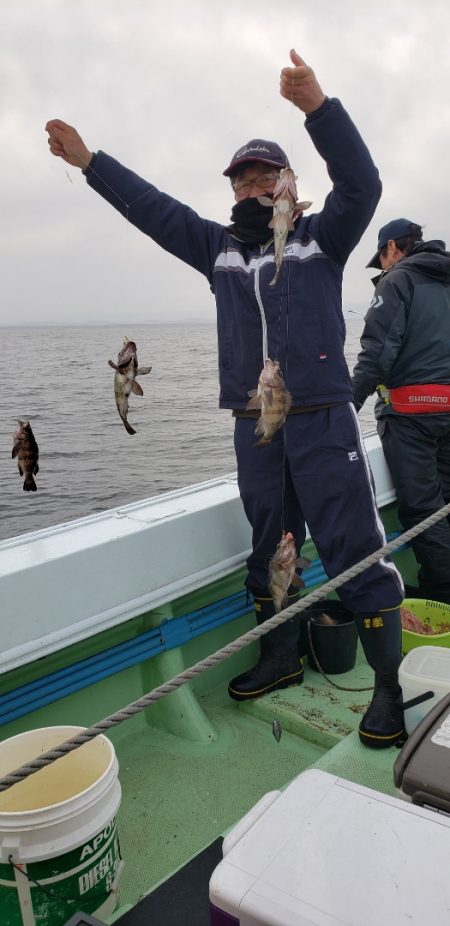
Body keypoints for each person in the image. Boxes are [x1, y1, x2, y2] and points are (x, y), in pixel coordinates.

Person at [46, 49, 405, 749]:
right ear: (232, 191)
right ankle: (278, 655)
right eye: (241, 178)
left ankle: (388, 688)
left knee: (355, 548)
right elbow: (153, 210)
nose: (251, 185)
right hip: (255, 426)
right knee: (267, 546)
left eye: (265, 175)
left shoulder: (321, 239)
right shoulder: (215, 251)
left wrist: (318, 110)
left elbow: (362, 184)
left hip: (324, 422)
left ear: (284, 185)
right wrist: (91, 164)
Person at [352, 218, 450, 604]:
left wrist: (345, 408)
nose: (383, 268)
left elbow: (377, 353)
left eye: (381, 259)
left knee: (425, 509)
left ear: (392, 247)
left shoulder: (398, 281)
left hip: (412, 418)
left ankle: (442, 594)